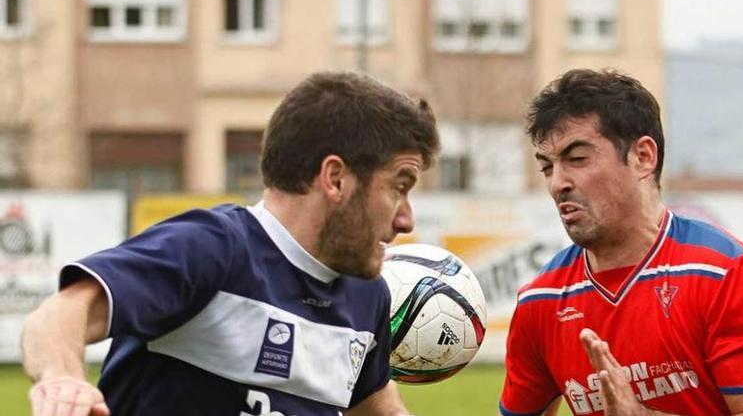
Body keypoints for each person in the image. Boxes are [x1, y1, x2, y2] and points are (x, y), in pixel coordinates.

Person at [22, 71, 440, 416]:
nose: (406, 219)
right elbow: (60, 314)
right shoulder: (211, 249)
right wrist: (62, 379)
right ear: (335, 179)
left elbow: (374, 404)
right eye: (399, 187)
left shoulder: (367, 297)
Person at [499, 69, 743, 416]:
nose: (558, 183)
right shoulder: (541, 300)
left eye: (577, 159)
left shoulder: (724, 273)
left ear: (643, 157)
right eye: (546, 167)